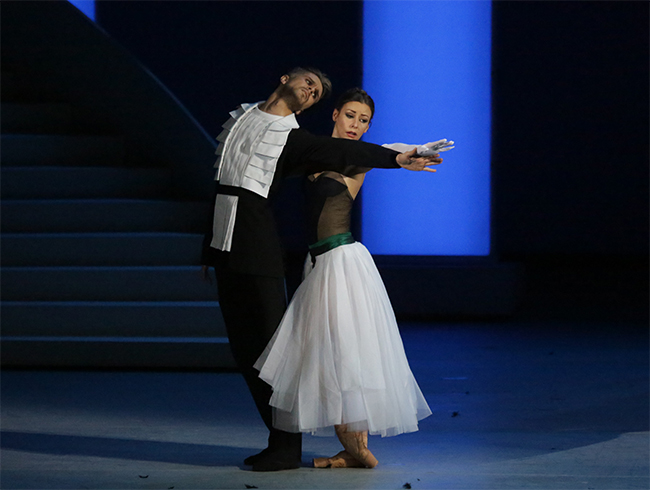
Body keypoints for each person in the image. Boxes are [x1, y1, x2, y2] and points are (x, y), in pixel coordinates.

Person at [201, 69, 442, 472]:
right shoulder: (288, 139)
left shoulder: (319, 147)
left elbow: (363, 153)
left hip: (341, 262)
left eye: (363, 119)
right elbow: (230, 186)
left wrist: (402, 156)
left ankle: (345, 445)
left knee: (345, 350)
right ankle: (340, 446)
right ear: (331, 113)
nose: (356, 124)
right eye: (350, 115)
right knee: (314, 351)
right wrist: (210, 250)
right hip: (312, 262)